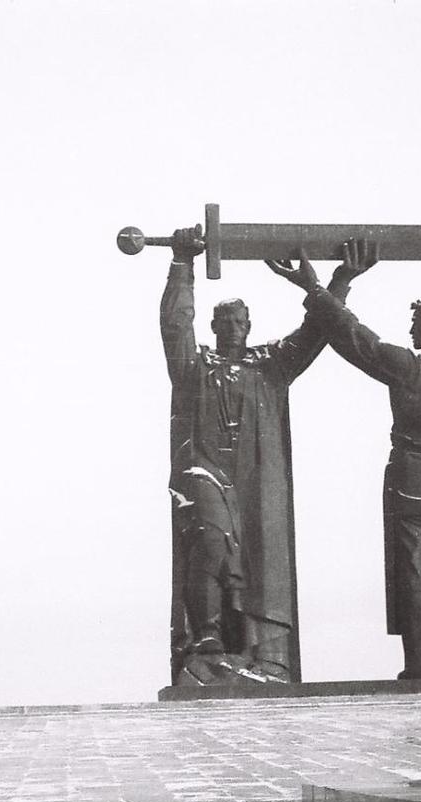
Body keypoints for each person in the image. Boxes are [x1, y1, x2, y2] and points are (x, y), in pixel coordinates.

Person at [267, 242, 421, 680]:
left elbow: (353, 336)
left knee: (419, 576)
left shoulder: (409, 366)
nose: (411, 331)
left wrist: (316, 287)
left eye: (416, 324)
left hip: (415, 477)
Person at [160, 225, 341, 685]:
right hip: (205, 470)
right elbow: (175, 326)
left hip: (256, 479)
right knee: (210, 542)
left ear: (249, 326)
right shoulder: (194, 366)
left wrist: (339, 282)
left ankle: (258, 652)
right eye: (224, 324)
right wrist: (182, 266)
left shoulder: (271, 364)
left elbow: (316, 332)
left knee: (258, 560)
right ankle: (207, 637)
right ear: (214, 327)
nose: (231, 330)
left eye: (239, 323)